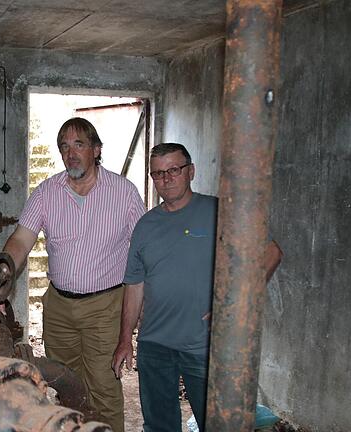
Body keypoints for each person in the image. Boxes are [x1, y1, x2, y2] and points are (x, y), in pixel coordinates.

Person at [111, 143, 282, 432]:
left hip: (204, 346)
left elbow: (271, 252)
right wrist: (125, 338)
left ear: (191, 171)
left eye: (174, 170)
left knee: (216, 424)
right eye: (158, 173)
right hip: (154, 345)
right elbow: (135, 284)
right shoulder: (145, 225)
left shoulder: (219, 212)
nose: (166, 179)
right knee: (159, 426)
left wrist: (236, 302)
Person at [2, 117, 145, 431]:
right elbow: (21, 240)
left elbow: (146, 249)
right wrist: (2, 270)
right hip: (59, 308)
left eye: (79, 144)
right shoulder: (47, 192)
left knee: (104, 386)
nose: (71, 153)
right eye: (64, 146)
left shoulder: (124, 193)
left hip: (105, 306)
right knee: (65, 383)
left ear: (96, 150)